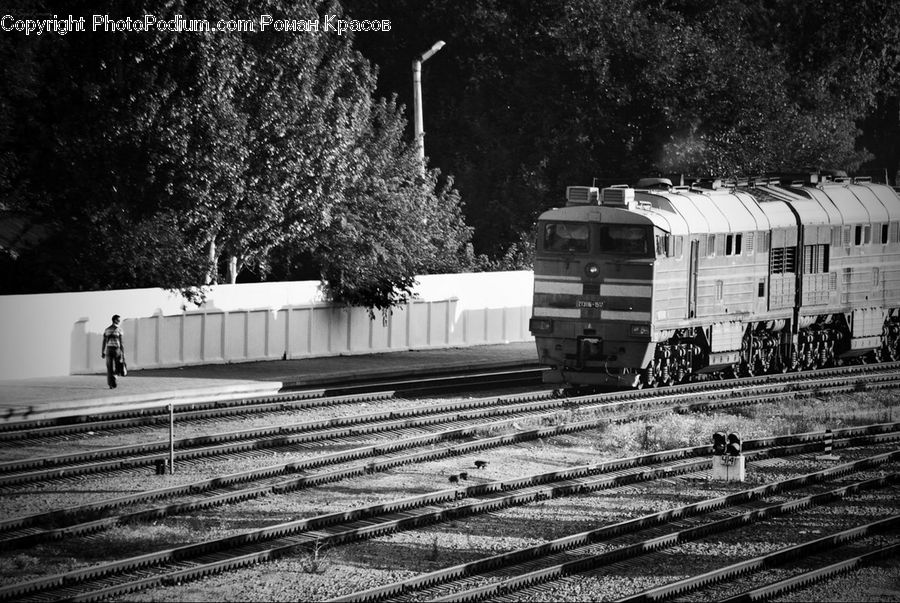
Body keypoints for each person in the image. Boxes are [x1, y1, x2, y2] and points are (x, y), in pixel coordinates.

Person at [101, 314, 124, 389]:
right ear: (114, 320)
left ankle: (111, 383)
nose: (119, 321)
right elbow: (121, 343)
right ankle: (113, 379)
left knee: (110, 367)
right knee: (116, 366)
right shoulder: (119, 329)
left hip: (108, 349)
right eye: (118, 320)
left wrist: (103, 351)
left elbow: (104, 342)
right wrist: (122, 353)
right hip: (116, 349)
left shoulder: (107, 329)